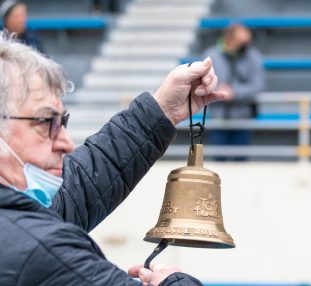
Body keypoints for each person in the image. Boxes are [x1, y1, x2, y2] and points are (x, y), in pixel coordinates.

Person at [0, 33, 226, 285]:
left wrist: (163, 110)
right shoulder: (40, 252)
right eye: (46, 122)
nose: (66, 143)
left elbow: (78, 190)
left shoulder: (18, 225)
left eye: (61, 122)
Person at [203, 23, 265, 161]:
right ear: (229, 38)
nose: (245, 45)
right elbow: (203, 82)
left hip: (242, 117)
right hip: (218, 117)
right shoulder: (211, 56)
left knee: (240, 161)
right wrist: (219, 90)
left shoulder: (253, 57)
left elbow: (257, 85)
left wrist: (234, 93)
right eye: (241, 41)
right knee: (218, 162)